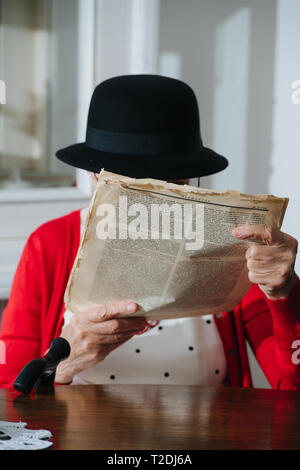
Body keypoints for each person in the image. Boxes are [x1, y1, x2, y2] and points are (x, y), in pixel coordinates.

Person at [0, 75, 299, 389]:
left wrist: (283, 293)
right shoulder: (50, 244)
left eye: (172, 184)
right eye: (129, 185)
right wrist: (65, 364)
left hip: (204, 436)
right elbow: (8, 399)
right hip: (86, 437)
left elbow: (292, 388)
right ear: (93, 176)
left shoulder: (235, 244)